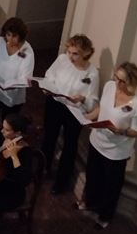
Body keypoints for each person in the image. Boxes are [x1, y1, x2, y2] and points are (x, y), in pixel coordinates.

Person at [79, 62, 137, 229]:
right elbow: (101, 108)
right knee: (93, 175)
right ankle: (89, 202)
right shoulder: (109, 86)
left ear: (132, 82)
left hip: (116, 151)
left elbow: (136, 131)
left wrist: (120, 131)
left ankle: (105, 215)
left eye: (122, 81)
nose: (117, 83)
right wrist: (88, 117)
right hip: (98, 141)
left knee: (111, 185)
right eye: (116, 78)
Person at [40, 34, 100, 195]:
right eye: (70, 52)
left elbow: (92, 101)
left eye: (75, 54)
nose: (71, 57)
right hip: (55, 103)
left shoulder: (92, 73)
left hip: (74, 111)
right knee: (49, 137)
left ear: (86, 53)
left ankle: (61, 182)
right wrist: (48, 88)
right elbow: (49, 76)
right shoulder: (62, 60)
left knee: (70, 145)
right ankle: (42, 170)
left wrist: (82, 98)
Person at [0, 17, 35, 139]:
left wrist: (11, 84)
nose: (10, 39)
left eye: (14, 36)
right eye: (8, 34)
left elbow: (26, 77)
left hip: (13, 96)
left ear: (21, 36)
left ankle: (2, 150)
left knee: (8, 126)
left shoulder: (28, 51)